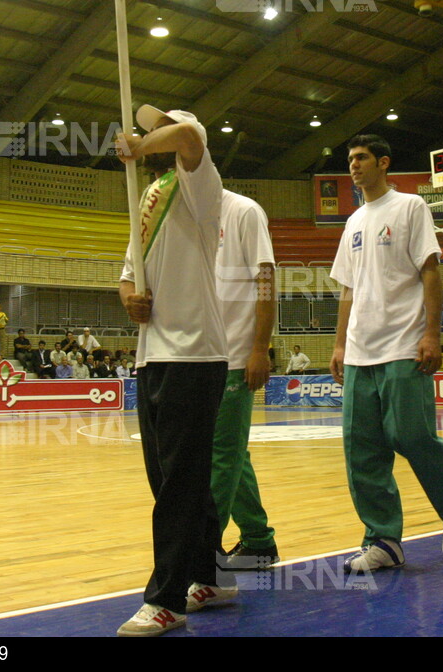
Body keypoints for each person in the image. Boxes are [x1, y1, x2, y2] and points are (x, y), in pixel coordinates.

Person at [328, 134, 443, 573]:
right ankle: (383, 539)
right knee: (362, 449)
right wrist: (338, 344)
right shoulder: (353, 221)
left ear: (383, 163)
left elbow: (430, 272)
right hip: (359, 352)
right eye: (349, 159)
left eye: (360, 158)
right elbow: (348, 289)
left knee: (411, 436)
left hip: (404, 345)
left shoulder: (410, 207)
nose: (352, 166)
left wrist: (432, 335)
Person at [115, 106, 230, 637]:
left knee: (178, 484)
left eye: (156, 124)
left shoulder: (199, 183)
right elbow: (126, 273)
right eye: (145, 125)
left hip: (195, 352)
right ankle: (209, 574)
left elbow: (186, 134)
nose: (150, 130)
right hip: (151, 352)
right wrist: (131, 301)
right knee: (171, 477)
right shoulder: (148, 195)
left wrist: (140, 145)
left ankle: (166, 600)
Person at [210, 188, 278, 567]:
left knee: (220, 458)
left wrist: (259, 347)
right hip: (201, 356)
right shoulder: (186, 211)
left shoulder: (243, 211)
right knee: (231, 455)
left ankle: (203, 551)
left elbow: (265, 279)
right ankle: (258, 540)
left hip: (236, 355)